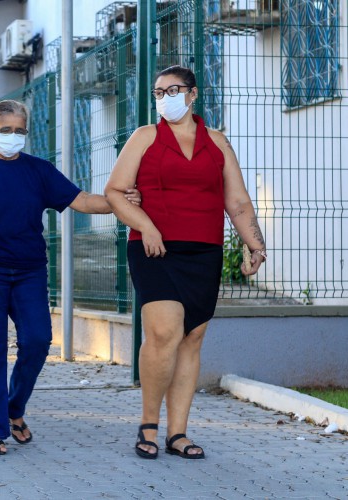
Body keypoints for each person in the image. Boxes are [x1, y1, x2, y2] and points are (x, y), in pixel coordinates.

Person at [0, 99, 142, 455]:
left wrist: (122, 201)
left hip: (28, 269)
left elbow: (81, 200)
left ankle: (13, 409)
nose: (13, 137)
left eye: (20, 131)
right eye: (6, 131)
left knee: (37, 340)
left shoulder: (39, 171)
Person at [105, 66, 266, 460]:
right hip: (153, 248)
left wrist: (255, 245)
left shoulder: (217, 143)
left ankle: (178, 433)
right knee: (163, 332)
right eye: (158, 92)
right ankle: (148, 424)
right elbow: (114, 192)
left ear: (192, 94)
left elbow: (238, 201)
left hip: (203, 251)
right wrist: (148, 227)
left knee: (192, 337)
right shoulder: (144, 138)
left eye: (172, 90)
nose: (164, 98)